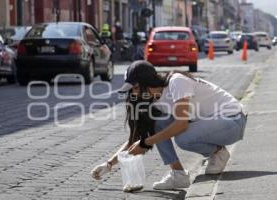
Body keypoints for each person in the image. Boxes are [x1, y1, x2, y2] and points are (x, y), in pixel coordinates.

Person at [91, 61, 247, 190]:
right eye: (131, 90)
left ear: (148, 82)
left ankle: (218, 152)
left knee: (183, 138)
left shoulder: (177, 82)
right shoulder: (154, 100)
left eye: (136, 88)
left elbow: (181, 124)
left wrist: (146, 143)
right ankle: (178, 174)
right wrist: (109, 164)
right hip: (213, 123)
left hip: (233, 120)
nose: (134, 94)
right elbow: (137, 136)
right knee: (157, 124)